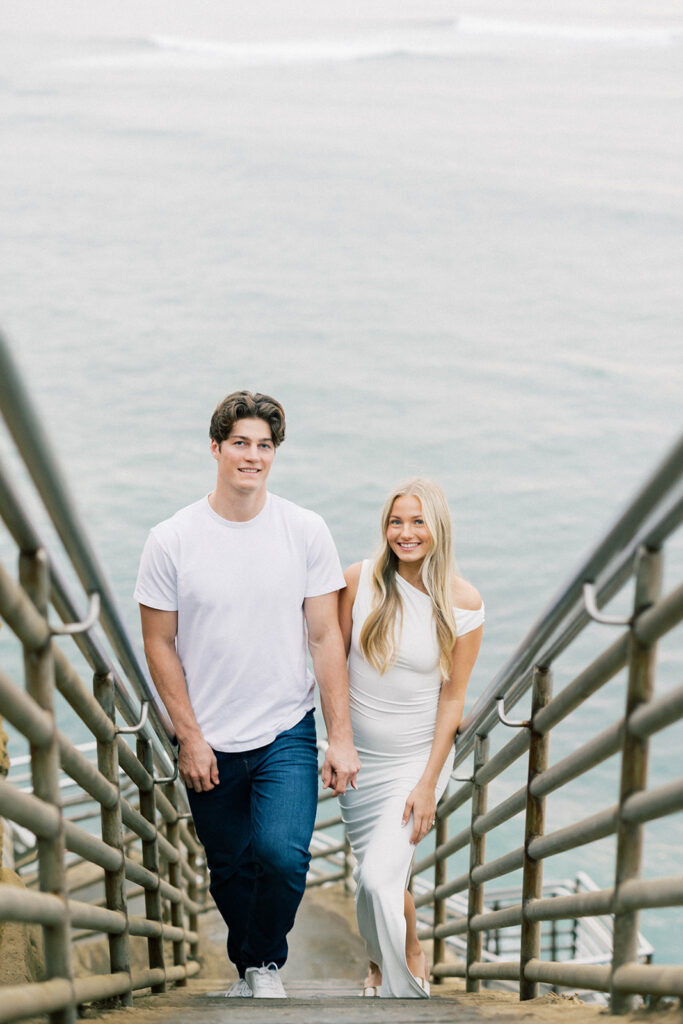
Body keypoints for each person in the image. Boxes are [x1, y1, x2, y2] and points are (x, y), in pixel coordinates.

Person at [134, 390, 360, 999]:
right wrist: (189, 737)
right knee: (230, 869)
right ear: (216, 448)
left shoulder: (306, 530)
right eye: (240, 443)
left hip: (286, 727)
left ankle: (264, 964)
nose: (252, 456)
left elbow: (324, 635)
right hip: (207, 735)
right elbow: (159, 644)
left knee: (282, 857)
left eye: (264, 446)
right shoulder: (172, 539)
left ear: (274, 454)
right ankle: (249, 967)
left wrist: (339, 736)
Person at [338, 478, 483, 998]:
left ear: (438, 527)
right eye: (396, 522)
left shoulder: (462, 601)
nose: (405, 533)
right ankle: (385, 958)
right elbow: (331, 664)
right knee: (374, 870)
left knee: (379, 876)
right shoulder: (358, 582)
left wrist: (427, 784)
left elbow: (453, 698)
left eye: (418, 521)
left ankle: (406, 962)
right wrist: (337, 740)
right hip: (359, 760)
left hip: (416, 759)